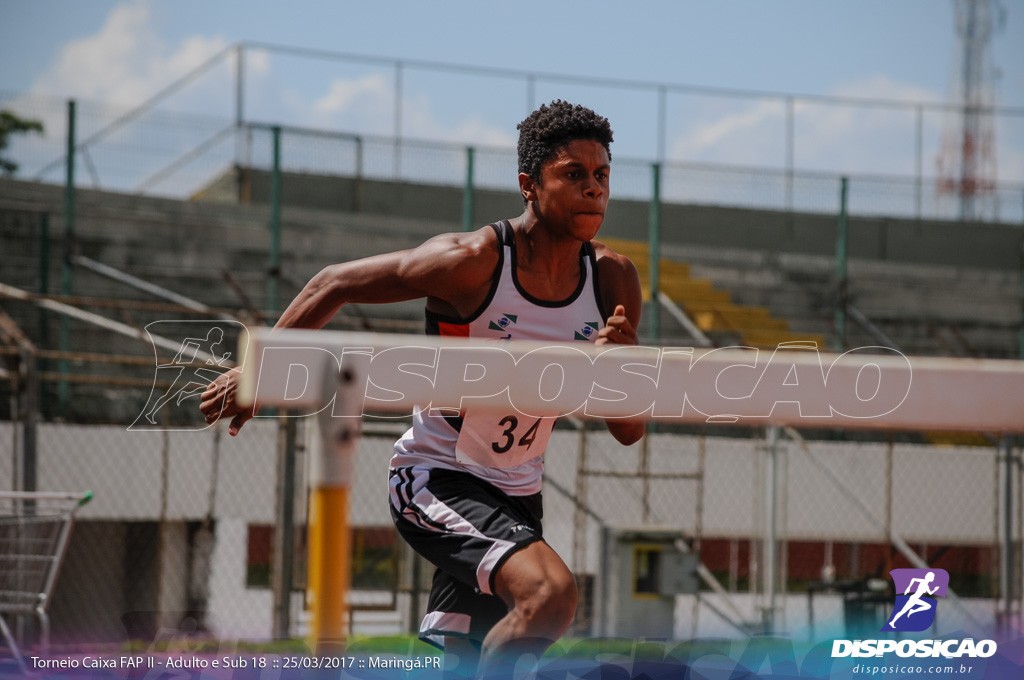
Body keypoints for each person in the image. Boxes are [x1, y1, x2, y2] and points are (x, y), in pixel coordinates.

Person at [200, 100, 644, 675]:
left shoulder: (613, 279)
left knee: (461, 661)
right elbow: (333, 283)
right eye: (574, 174)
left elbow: (629, 432)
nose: (593, 190)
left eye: (602, 175)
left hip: (518, 496)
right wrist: (259, 373)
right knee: (550, 597)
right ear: (529, 185)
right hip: (436, 478)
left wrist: (622, 369)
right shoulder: (474, 261)